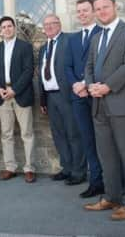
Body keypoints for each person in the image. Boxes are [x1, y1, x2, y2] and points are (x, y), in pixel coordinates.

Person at [83, 0, 125, 221]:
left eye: (105, 7)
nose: (101, 12)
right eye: (97, 9)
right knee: (106, 156)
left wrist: (107, 86)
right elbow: (88, 66)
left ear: (114, 6)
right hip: (99, 106)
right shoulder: (96, 38)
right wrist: (91, 86)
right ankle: (112, 196)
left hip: (123, 105)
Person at [38, 14, 85, 185]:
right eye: (46, 24)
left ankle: (79, 171)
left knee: (74, 134)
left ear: (59, 24)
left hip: (67, 95)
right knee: (59, 135)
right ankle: (67, 168)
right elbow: (42, 75)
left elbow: (78, 65)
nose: (49, 27)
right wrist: (42, 100)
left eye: (53, 23)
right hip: (50, 97)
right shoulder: (44, 47)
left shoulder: (69, 40)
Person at [65, 0, 104, 198]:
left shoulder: (103, 34)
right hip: (78, 97)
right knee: (87, 140)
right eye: (79, 11)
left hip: (98, 94)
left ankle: (112, 180)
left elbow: (104, 66)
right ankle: (96, 181)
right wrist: (75, 85)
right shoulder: (72, 39)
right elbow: (67, 66)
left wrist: (86, 84)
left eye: (85, 10)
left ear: (93, 12)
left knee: (104, 140)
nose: (82, 14)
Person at [0, 16, 36, 183]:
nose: (7, 29)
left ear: (14, 28)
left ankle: (29, 168)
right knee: (6, 134)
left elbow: (28, 71)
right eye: (4, 27)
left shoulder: (25, 47)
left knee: (27, 133)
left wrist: (14, 90)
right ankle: (10, 167)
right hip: (3, 96)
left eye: (10, 26)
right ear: (1, 30)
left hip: (20, 94)